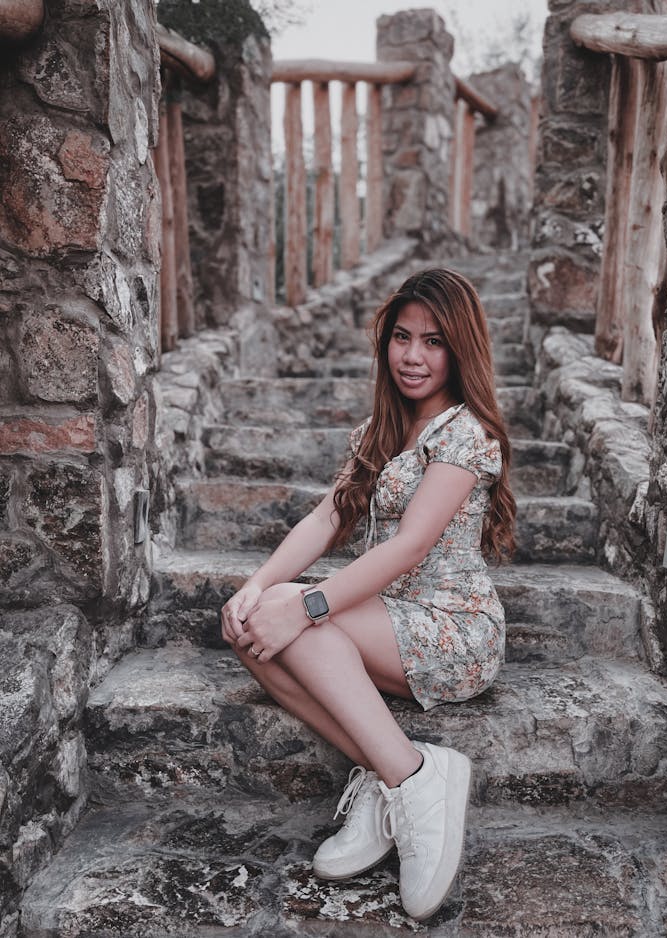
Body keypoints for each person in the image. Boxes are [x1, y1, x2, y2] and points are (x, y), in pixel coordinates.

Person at [221, 267, 517, 922]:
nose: (413, 356)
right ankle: (394, 771)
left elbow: (411, 545)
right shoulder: (381, 432)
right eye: (403, 337)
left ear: (459, 348)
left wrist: (305, 603)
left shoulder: (465, 435)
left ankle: (415, 784)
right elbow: (327, 519)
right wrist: (256, 586)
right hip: (387, 619)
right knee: (249, 629)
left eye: (434, 341)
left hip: (453, 627)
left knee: (301, 622)